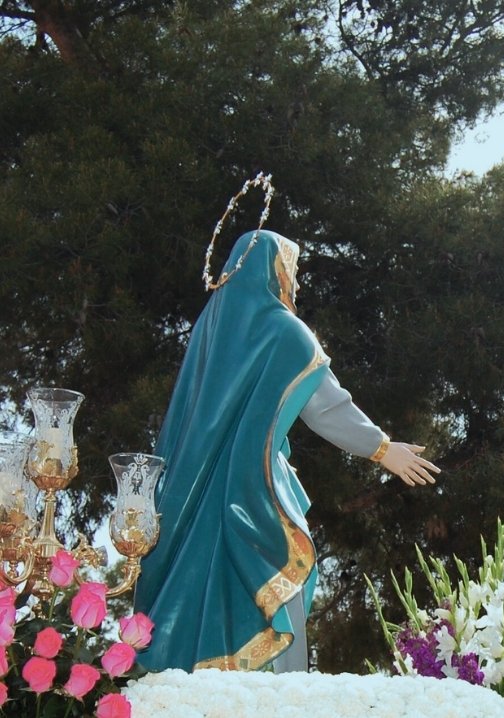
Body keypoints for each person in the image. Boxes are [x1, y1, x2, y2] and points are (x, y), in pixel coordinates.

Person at [134, 227, 440, 672]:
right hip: (250, 495)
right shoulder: (283, 331)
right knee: (274, 591)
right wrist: (381, 448)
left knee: (202, 597)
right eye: (291, 269)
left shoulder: (209, 332)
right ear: (271, 268)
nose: (294, 284)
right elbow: (326, 407)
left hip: (189, 497)